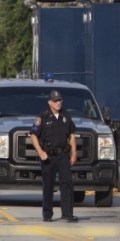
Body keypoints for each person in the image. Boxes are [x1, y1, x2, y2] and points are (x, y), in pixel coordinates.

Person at [30, 89, 78, 222]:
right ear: (49, 102)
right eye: (55, 101)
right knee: (49, 184)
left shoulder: (66, 116)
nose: (58, 103)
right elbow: (33, 136)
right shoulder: (42, 117)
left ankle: (67, 213)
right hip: (48, 157)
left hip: (63, 155)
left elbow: (72, 136)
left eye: (60, 100)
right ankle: (47, 213)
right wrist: (41, 152)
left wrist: (74, 153)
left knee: (67, 182)